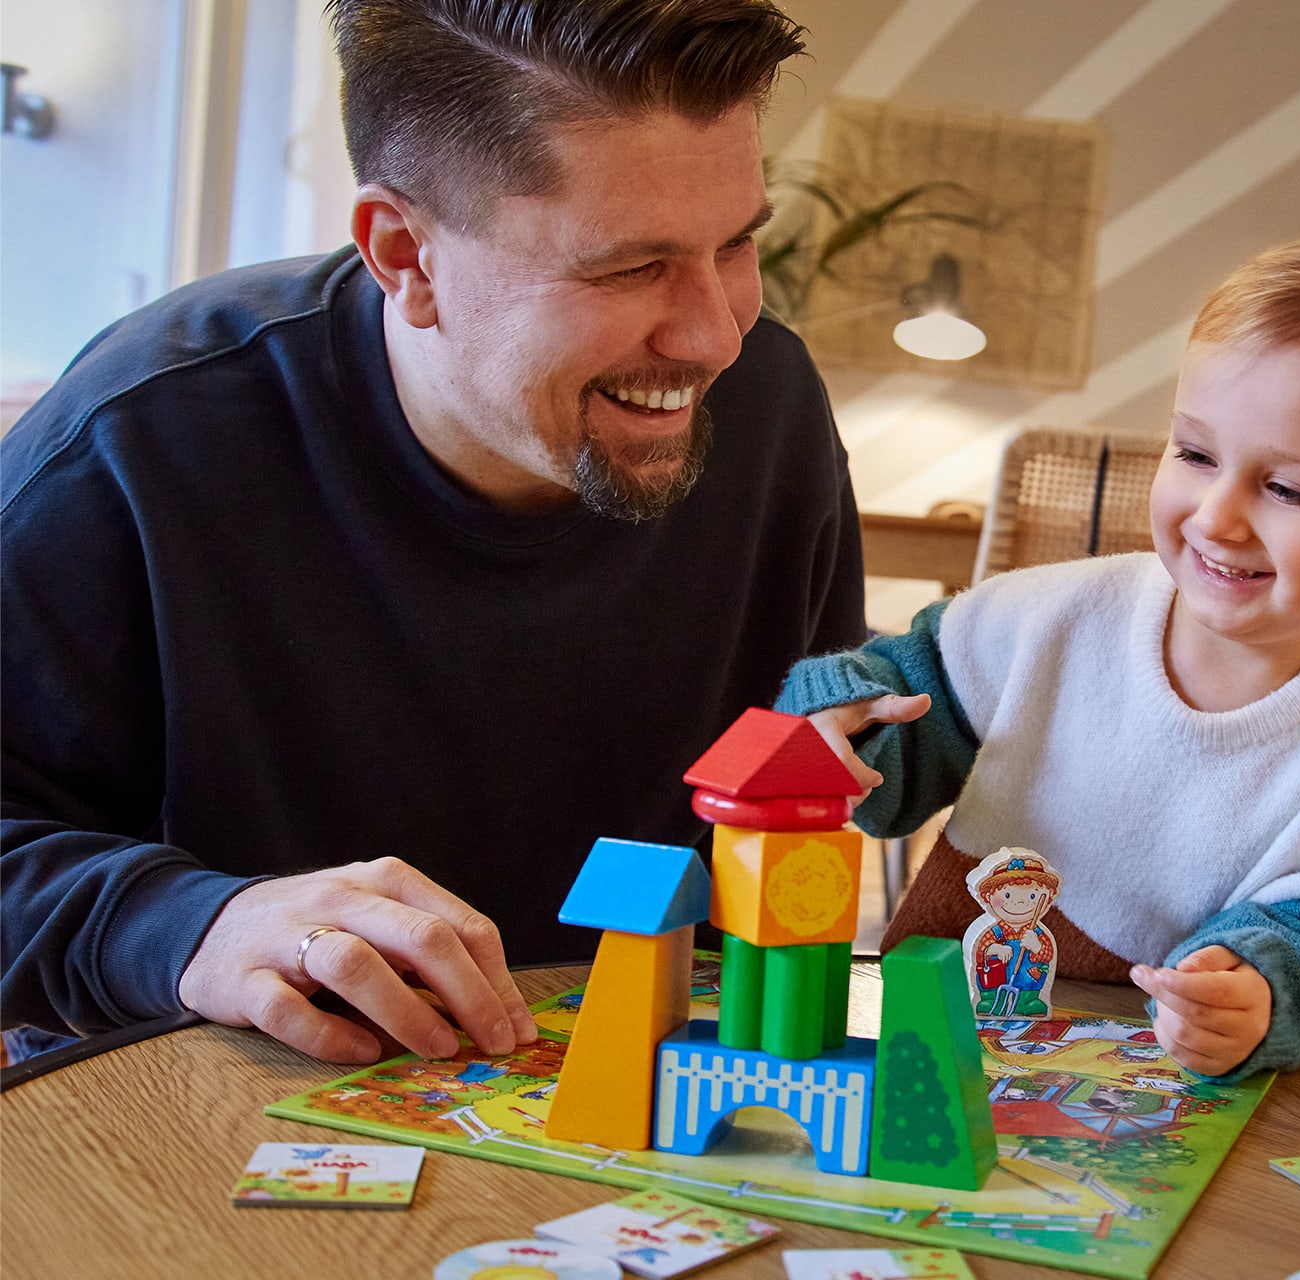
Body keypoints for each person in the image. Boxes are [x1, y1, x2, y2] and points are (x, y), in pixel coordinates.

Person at [1, 0, 864, 1067]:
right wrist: (197, 923)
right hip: (207, 1120)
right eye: (628, 268)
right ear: (405, 253)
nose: (715, 334)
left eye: (736, 243)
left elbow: (807, 772)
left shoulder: (772, 409)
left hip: (647, 1112)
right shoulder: (129, 445)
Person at [779, 234, 1300, 1080]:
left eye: (1287, 489)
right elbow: (893, 701)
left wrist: (1261, 993)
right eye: (1196, 454)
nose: (1215, 518)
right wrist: (838, 726)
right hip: (935, 1044)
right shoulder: (1055, 615)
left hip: (1158, 1098)